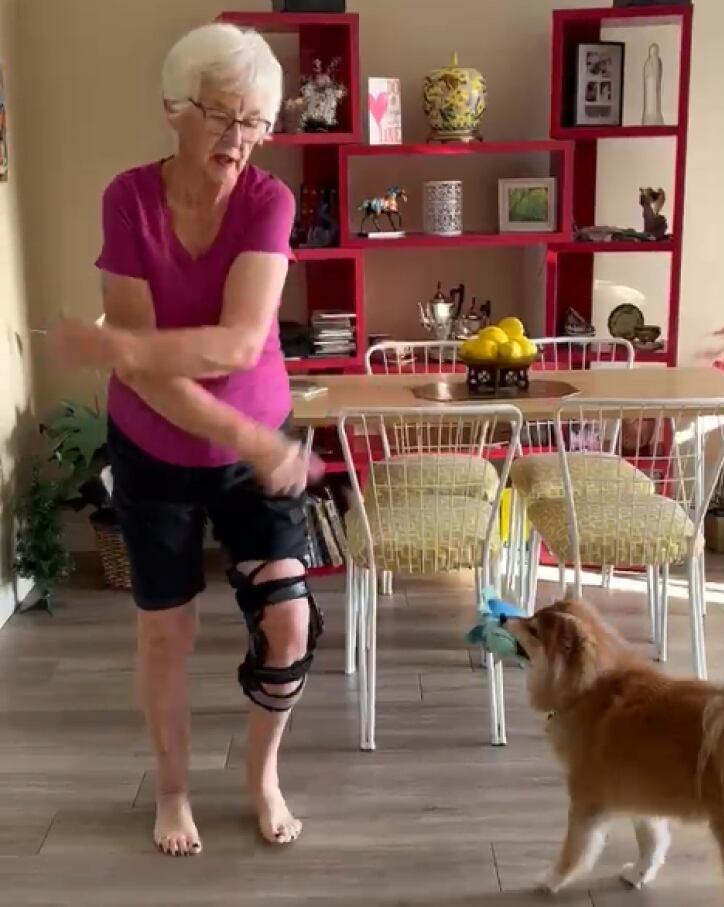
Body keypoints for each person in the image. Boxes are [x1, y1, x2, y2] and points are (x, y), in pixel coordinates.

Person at [51, 22, 324, 857]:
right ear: (176, 108)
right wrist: (143, 365)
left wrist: (125, 346)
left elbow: (241, 343)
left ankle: (262, 772)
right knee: (164, 631)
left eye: (258, 122)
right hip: (157, 451)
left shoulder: (268, 202)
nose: (241, 139)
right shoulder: (127, 199)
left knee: (289, 625)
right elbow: (146, 379)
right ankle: (171, 790)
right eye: (224, 114)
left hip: (255, 446)